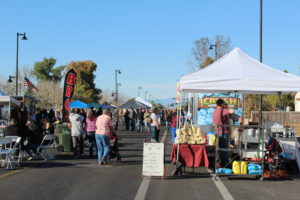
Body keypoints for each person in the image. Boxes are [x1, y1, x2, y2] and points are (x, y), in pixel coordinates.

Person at [213, 98, 235, 167]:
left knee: (220, 149)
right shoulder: (223, 110)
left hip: (217, 132)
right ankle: (225, 164)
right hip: (224, 132)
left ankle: (220, 162)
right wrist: (226, 109)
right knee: (225, 149)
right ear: (222, 104)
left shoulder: (215, 111)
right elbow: (232, 111)